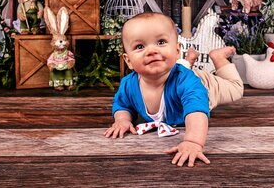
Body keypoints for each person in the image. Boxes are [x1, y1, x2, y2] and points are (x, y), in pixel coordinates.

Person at [104, 12, 243, 167]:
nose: (151, 51)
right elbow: (122, 104)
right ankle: (188, 61)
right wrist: (122, 119)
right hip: (175, 74)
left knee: (236, 89)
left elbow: (196, 110)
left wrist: (193, 141)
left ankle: (218, 58)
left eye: (161, 42)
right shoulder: (128, 85)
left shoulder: (190, 84)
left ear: (177, 50)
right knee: (178, 72)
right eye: (140, 46)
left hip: (204, 85)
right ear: (128, 60)